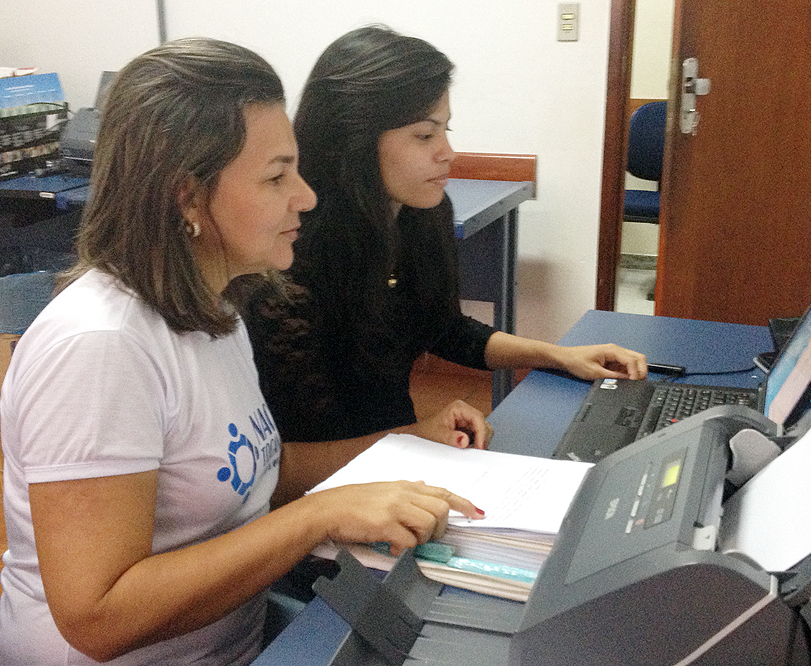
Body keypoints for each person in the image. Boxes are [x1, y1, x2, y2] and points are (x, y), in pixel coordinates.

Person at [0, 38, 486, 666]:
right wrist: (318, 517)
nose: (306, 196)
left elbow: (255, 469)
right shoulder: (101, 349)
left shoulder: (218, 305)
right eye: (276, 177)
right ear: (188, 197)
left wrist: (403, 442)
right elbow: (98, 617)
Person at [243, 24, 649, 446]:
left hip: (397, 454)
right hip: (339, 475)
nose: (447, 153)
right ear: (354, 140)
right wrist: (416, 436)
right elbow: (294, 454)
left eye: (444, 130)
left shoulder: (421, 214)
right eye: (424, 135)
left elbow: (441, 327)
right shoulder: (291, 256)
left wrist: (559, 355)